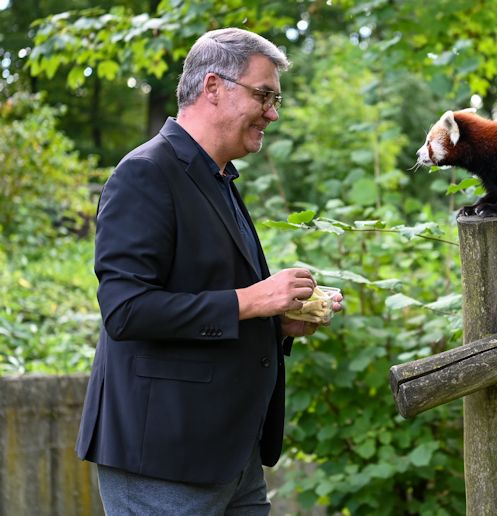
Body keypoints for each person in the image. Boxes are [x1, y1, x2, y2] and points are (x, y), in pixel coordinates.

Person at [75, 27, 342, 514]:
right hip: (161, 458)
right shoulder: (144, 173)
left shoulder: (218, 177)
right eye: (264, 95)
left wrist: (277, 321)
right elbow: (127, 311)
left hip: (230, 456)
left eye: (276, 98)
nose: (273, 113)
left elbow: (208, 301)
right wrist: (254, 300)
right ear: (213, 87)